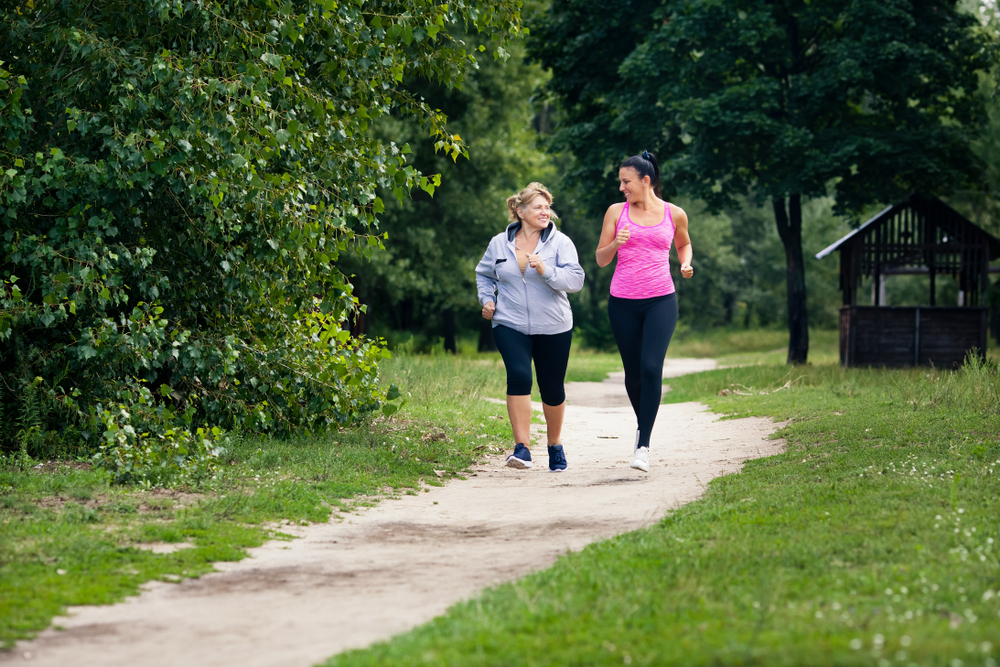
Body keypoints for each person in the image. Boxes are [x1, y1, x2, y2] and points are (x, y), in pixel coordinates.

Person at [476, 183, 585, 472]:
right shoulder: (499, 243)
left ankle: (554, 444)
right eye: (538, 207)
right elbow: (484, 274)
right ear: (520, 211)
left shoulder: (561, 243)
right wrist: (487, 299)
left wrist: (546, 270)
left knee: (551, 387)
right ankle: (522, 448)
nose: (545, 212)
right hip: (509, 321)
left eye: (547, 207)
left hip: (554, 325)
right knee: (520, 376)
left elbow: (576, 281)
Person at [595, 151, 694, 472]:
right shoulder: (615, 212)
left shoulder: (675, 214)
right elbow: (600, 259)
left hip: (661, 300)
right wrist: (615, 244)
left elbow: (683, 243)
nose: (622, 187)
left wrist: (685, 262)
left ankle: (643, 444)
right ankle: (644, 425)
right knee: (634, 374)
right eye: (621, 182)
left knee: (651, 367)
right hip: (622, 302)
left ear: (645, 181)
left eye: (626, 181)